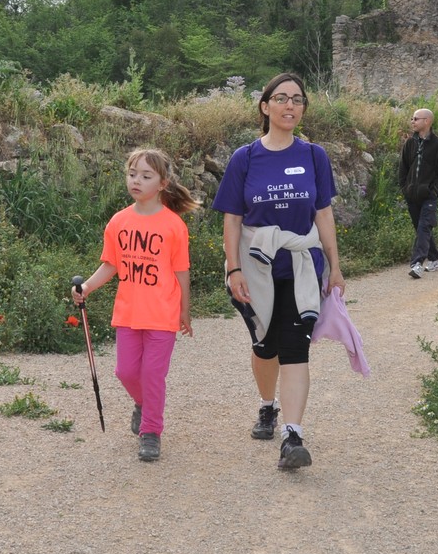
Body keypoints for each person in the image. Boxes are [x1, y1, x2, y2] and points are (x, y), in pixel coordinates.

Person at [214, 72, 345, 472]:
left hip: (302, 267)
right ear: (265, 106)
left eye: (298, 99)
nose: (291, 105)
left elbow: (323, 213)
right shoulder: (245, 158)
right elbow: (232, 219)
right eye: (282, 98)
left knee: (294, 348)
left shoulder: (314, 156)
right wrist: (234, 268)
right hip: (255, 267)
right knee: (265, 345)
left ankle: (293, 436)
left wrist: (335, 267)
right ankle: (267, 405)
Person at [72, 148, 195, 463]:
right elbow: (110, 264)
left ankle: (151, 431)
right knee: (126, 372)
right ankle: (144, 403)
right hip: (128, 312)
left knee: (153, 374)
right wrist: (86, 287)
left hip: (163, 314)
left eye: (145, 176)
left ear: (163, 183)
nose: (136, 181)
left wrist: (184, 310)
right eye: (132, 174)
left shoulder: (174, 226)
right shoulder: (118, 221)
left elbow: (181, 272)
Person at [398, 107, 438, 279]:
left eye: (416, 119)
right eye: (412, 118)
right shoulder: (409, 143)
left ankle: (417, 264)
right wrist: (405, 189)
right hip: (412, 195)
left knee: (424, 227)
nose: (412, 121)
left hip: (429, 196)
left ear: (427, 121)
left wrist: (434, 191)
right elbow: (403, 169)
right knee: (420, 228)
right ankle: (435, 259)